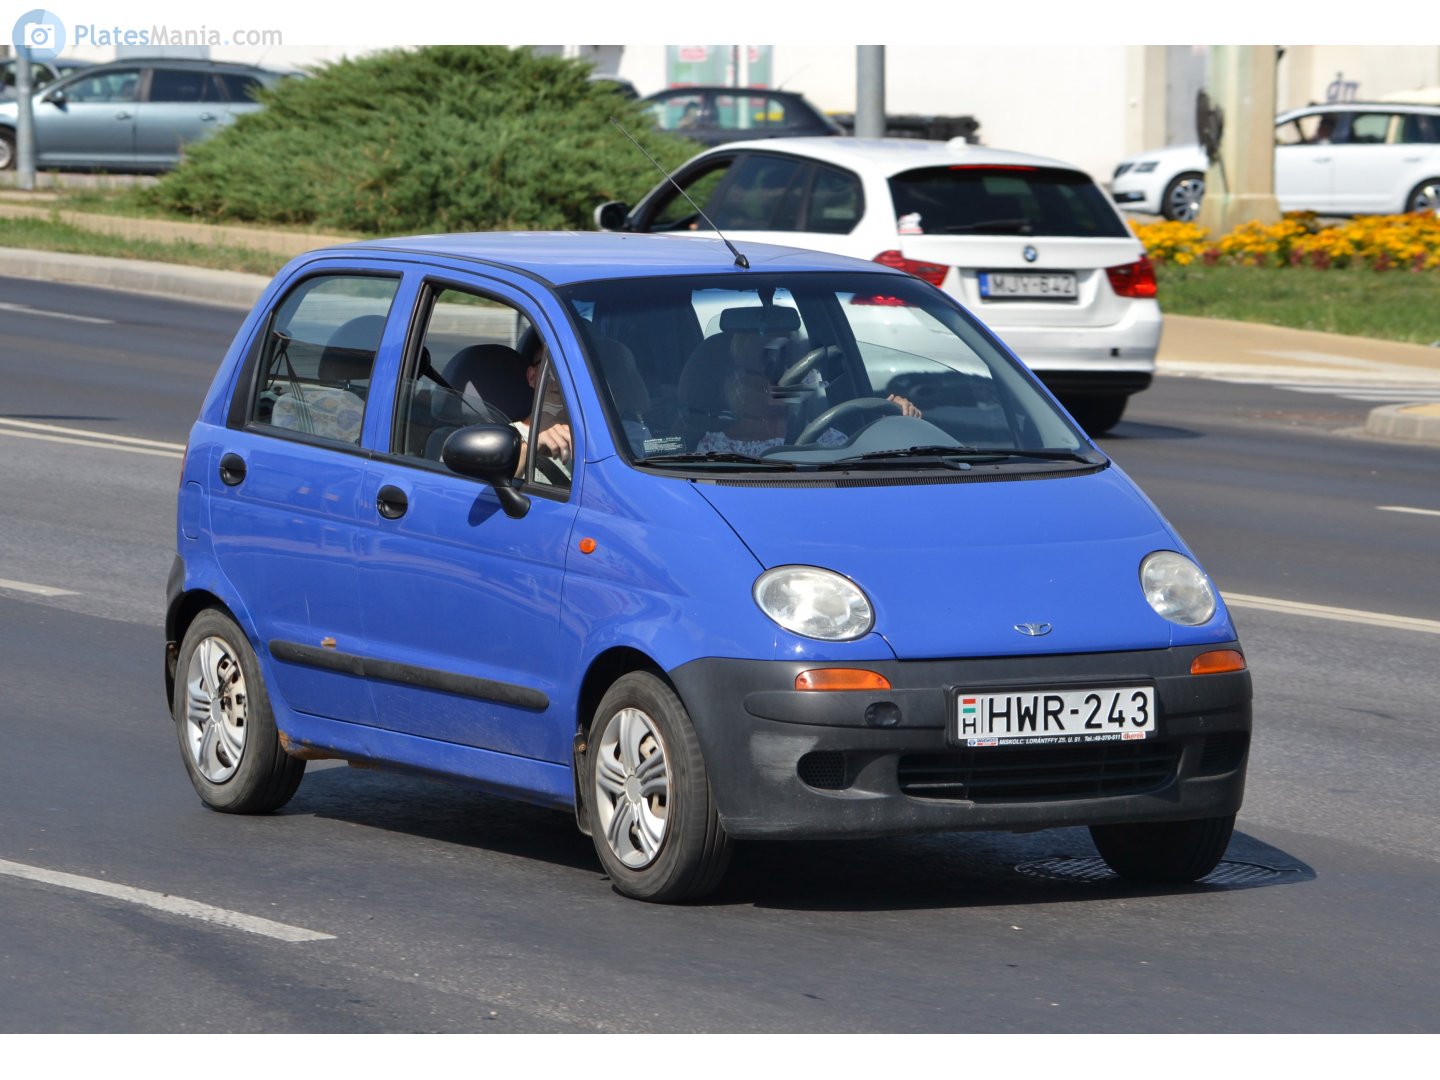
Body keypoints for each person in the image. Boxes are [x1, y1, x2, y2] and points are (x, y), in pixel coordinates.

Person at [695, 331, 921, 455]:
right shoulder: (713, 452)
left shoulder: (829, 438)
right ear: (737, 380)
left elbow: (870, 478)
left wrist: (895, 428)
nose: (784, 376)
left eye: (793, 365)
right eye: (768, 368)